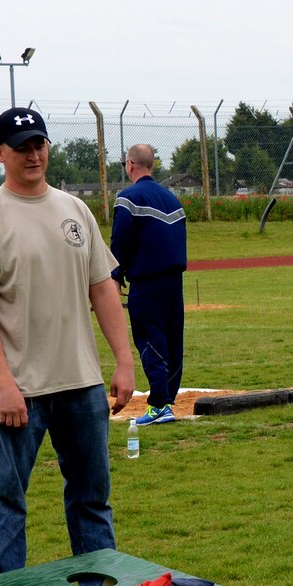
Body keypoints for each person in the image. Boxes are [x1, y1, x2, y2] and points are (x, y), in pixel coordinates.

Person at [0, 106, 136, 581]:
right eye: (21, 148)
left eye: (39, 144)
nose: (33, 155)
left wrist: (123, 361)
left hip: (81, 383)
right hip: (19, 390)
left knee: (92, 497)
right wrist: (3, 385)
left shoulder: (75, 211)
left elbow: (103, 289)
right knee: (8, 497)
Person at [110, 143, 188, 425]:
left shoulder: (128, 197)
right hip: (174, 280)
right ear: (151, 166)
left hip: (145, 281)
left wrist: (115, 276)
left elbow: (120, 241)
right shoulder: (172, 199)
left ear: (130, 165)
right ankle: (168, 399)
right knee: (172, 337)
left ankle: (159, 405)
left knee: (149, 337)